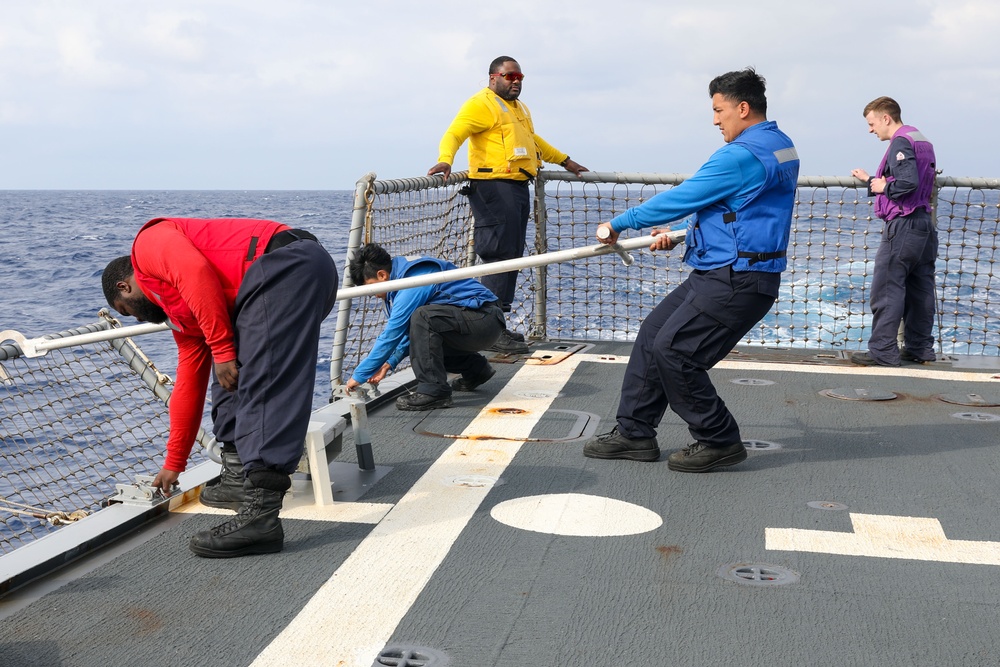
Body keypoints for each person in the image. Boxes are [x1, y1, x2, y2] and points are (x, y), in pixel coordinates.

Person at [583, 68, 799, 473]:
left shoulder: (739, 155)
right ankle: (635, 433)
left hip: (737, 278)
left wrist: (619, 223)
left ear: (743, 108)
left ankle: (720, 440)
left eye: (719, 111)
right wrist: (687, 232)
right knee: (652, 336)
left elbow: (684, 196)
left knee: (675, 352)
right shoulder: (781, 145)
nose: (715, 120)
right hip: (727, 268)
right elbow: (745, 207)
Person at [101, 218, 338, 557]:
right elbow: (188, 385)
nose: (136, 320)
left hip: (286, 265)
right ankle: (237, 478)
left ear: (125, 287)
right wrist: (174, 462)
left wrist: (223, 349)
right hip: (275, 281)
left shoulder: (148, 244)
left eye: (126, 312)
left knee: (264, 380)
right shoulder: (184, 314)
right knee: (228, 375)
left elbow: (195, 271)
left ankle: (262, 519)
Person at [428, 55, 588, 355]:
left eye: (519, 77)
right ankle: (486, 331)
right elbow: (455, 132)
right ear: (493, 78)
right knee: (498, 256)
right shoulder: (481, 104)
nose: (515, 82)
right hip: (493, 188)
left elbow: (532, 140)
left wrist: (564, 160)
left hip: (515, 187)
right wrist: (445, 159)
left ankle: (496, 325)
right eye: (509, 76)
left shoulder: (518, 109)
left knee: (511, 255)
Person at [345, 243, 504, 410]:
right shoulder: (402, 275)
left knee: (422, 317)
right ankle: (476, 370)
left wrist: (360, 375)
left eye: (371, 288)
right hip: (480, 323)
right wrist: (388, 364)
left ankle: (434, 392)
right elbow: (413, 334)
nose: (374, 295)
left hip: (485, 320)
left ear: (382, 275)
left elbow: (392, 334)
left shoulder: (412, 281)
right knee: (424, 332)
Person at [850, 96, 938, 366]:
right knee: (920, 288)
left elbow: (907, 182)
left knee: (887, 288)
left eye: (872, 123)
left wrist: (882, 187)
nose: (870, 129)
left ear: (886, 118)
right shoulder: (920, 139)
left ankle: (883, 352)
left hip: (904, 224)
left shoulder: (899, 142)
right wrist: (871, 180)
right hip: (925, 223)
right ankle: (919, 348)